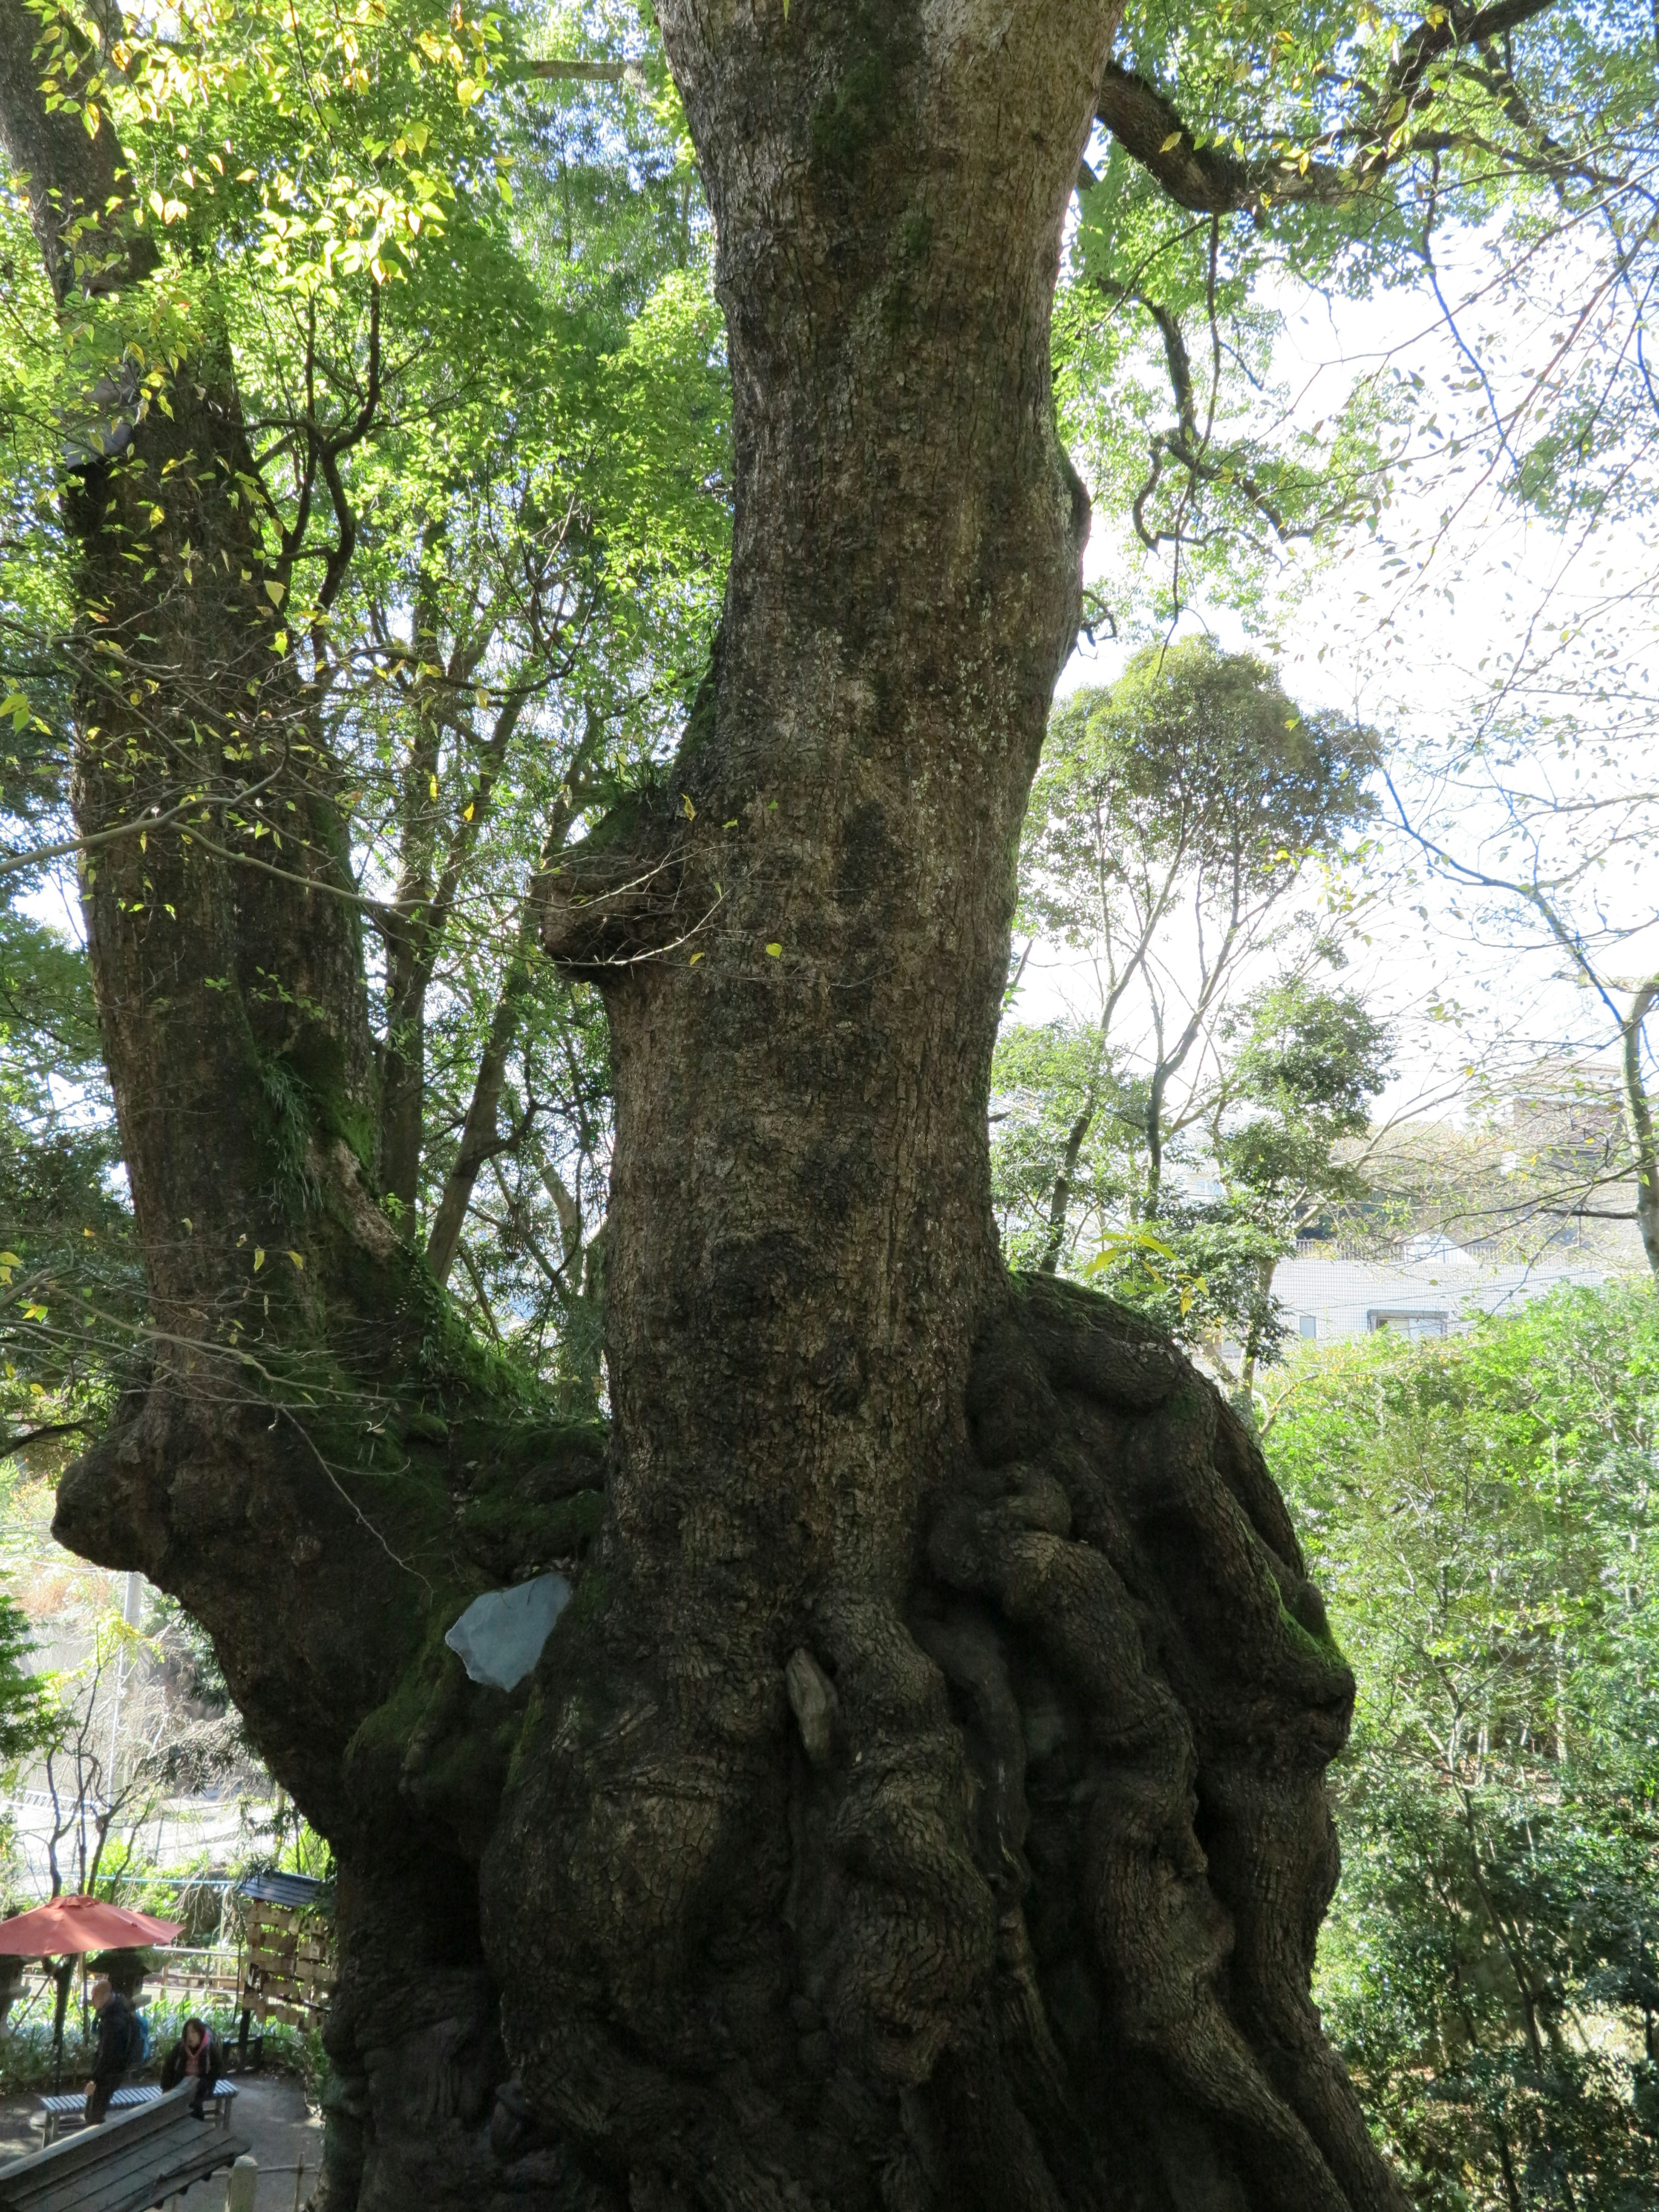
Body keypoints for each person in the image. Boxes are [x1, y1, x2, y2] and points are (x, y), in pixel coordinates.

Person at [83, 1977, 139, 2124]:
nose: (93, 2001)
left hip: (110, 2074)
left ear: (107, 1997)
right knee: (93, 2113)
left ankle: (97, 2145)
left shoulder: (113, 2021)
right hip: (116, 2070)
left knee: (93, 2116)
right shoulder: (121, 2005)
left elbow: (107, 2054)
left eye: (95, 1997)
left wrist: (95, 2080)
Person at [161, 2016, 225, 2120]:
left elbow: (218, 2069)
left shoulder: (210, 2048)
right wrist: (166, 2088)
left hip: (201, 2085)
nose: (190, 2037)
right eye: (188, 2033)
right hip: (181, 2083)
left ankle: (196, 2128)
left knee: (195, 2105)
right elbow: (168, 2067)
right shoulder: (181, 2047)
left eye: (194, 2032)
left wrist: (206, 2083)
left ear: (201, 2034)